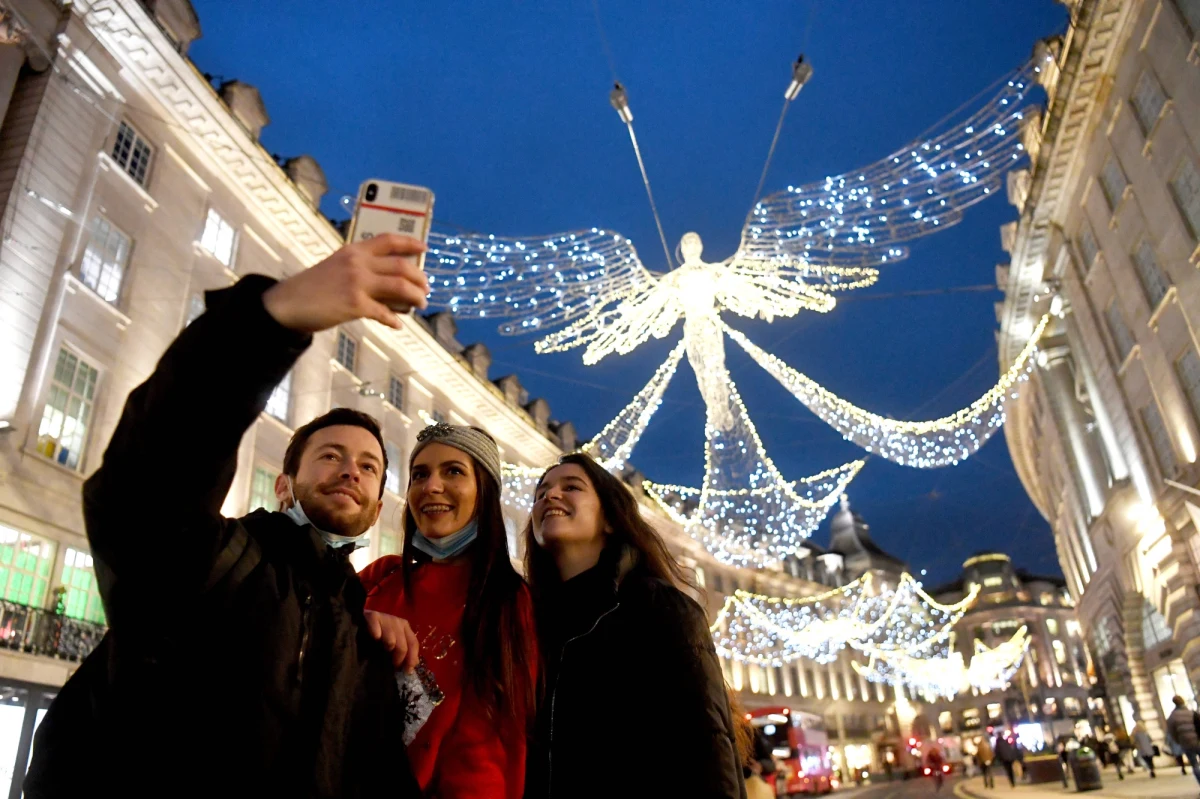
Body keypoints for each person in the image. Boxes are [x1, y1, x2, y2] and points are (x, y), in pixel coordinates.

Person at [23, 234, 433, 796]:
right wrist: (270, 321)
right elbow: (149, 479)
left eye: (368, 466)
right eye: (330, 456)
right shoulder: (216, 562)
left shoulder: (363, 637)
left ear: (378, 506)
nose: (350, 472)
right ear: (284, 486)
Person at [522, 453, 745, 798]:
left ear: (610, 519)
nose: (549, 496)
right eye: (540, 493)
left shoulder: (662, 609)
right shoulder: (526, 622)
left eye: (572, 487)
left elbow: (707, 751)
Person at [358, 422, 538, 798]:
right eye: (419, 474)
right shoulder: (380, 577)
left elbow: (492, 743)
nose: (431, 486)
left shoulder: (508, 599)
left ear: (484, 492)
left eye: (453, 471)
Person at [1166, 695, 1200, 786]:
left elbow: (1172, 732)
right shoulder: (1191, 712)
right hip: (1197, 741)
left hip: (1186, 743)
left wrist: (1178, 741)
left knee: (1195, 764)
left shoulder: (1172, 716)